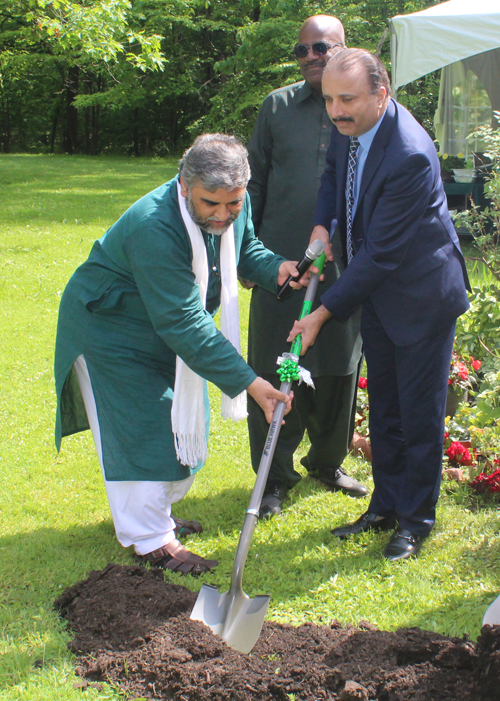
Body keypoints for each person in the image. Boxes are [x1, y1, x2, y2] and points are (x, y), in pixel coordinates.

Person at [54, 134, 298, 575]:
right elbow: (183, 322)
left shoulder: (225, 209)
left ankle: (157, 519)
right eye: (211, 204)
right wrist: (249, 382)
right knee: (145, 429)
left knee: (176, 427)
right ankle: (150, 540)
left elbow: (244, 251)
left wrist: (278, 269)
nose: (223, 216)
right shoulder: (154, 225)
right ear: (184, 186)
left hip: (157, 328)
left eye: (234, 204)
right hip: (109, 330)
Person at [288, 49, 470, 561]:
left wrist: (322, 313)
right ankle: (385, 507)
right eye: (328, 99)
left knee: (418, 414)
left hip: (419, 296)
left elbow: (382, 254)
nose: (336, 110)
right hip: (380, 294)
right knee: (386, 407)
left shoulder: (408, 153)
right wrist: (323, 227)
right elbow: (332, 178)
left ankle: (415, 521)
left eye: (347, 99)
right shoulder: (350, 129)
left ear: (380, 94)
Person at [246, 15, 368, 520]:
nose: (312, 56)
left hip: (346, 269)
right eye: (303, 50)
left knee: (339, 368)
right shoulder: (276, 107)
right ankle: (274, 477)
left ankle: (326, 462)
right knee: (280, 365)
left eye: (323, 47)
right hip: (282, 271)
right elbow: (251, 188)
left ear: (343, 48)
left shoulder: (364, 108)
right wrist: (251, 257)